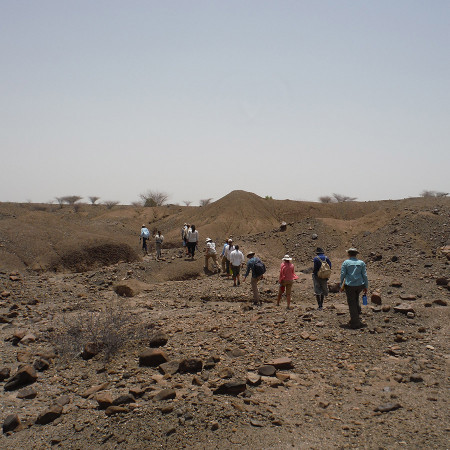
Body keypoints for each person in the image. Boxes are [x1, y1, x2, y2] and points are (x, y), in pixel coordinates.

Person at [340, 247, 369, 329]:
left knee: (351, 302)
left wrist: (341, 285)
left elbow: (342, 274)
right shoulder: (361, 263)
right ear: (356, 254)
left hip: (349, 285)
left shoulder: (346, 262)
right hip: (360, 285)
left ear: (348, 254)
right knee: (356, 299)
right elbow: (364, 275)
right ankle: (357, 316)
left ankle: (355, 323)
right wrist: (366, 286)